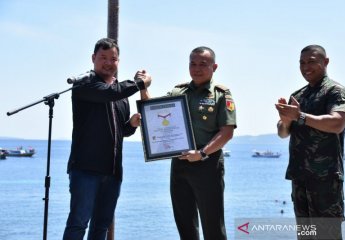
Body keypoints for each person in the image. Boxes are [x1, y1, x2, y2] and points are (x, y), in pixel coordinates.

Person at [63, 38, 151, 240]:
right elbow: (108, 94)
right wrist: (139, 83)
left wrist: (132, 124)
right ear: (93, 58)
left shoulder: (121, 93)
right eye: (103, 57)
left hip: (112, 172)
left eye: (113, 59)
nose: (108, 63)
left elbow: (122, 132)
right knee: (78, 223)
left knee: (101, 226)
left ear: (118, 62)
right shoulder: (84, 84)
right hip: (85, 170)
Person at [275, 45, 345, 240]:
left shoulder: (335, 91)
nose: (306, 67)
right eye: (302, 62)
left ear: (325, 62)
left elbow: (337, 123)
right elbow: (283, 133)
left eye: (311, 61)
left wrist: (300, 116)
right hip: (300, 179)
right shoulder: (299, 96)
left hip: (325, 181)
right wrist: (286, 119)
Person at [167, 46, 237, 240]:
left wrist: (202, 153)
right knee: (185, 224)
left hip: (207, 164)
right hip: (179, 164)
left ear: (214, 67)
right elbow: (155, 114)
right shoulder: (178, 92)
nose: (197, 68)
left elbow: (226, 132)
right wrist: (143, 90)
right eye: (193, 63)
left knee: (212, 225)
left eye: (202, 64)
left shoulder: (221, 94)